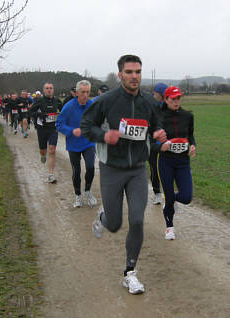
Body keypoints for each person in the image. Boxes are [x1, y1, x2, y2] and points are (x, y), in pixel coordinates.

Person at [80, 55, 166, 294]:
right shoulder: (106, 101)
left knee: (137, 220)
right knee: (115, 224)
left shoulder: (148, 102)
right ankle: (103, 217)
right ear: (120, 75)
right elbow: (87, 126)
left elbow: (157, 123)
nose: (134, 76)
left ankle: (130, 273)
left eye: (138, 71)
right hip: (112, 169)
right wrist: (104, 136)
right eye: (129, 72)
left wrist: (158, 132)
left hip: (138, 169)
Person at [155, 86, 196, 240]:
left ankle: (170, 201)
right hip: (165, 161)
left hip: (183, 162)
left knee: (186, 197)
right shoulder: (158, 117)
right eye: (173, 98)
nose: (176, 101)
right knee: (169, 195)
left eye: (178, 98)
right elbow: (150, 139)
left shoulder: (187, 116)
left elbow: (190, 135)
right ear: (166, 99)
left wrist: (192, 146)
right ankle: (169, 227)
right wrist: (160, 146)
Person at [56, 80, 97, 208]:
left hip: (88, 142)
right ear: (77, 93)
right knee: (76, 170)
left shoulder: (92, 105)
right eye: (82, 92)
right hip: (73, 144)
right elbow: (59, 124)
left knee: (90, 167)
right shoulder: (68, 107)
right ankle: (78, 195)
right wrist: (72, 131)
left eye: (87, 92)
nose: (85, 95)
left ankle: (87, 191)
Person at [29, 83, 62, 183]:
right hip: (42, 129)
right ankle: (43, 155)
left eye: (51, 88)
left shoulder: (57, 101)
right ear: (43, 90)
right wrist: (39, 114)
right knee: (43, 150)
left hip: (53, 129)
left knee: (52, 150)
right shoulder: (39, 101)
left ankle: (51, 175)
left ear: (53, 90)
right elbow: (30, 112)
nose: (49, 90)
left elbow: (64, 111)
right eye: (47, 88)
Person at [149, 82, 168, 205]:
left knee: (166, 170)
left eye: (155, 93)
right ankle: (157, 194)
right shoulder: (150, 105)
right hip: (152, 143)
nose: (153, 95)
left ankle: (169, 195)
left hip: (165, 144)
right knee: (154, 169)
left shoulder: (168, 108)